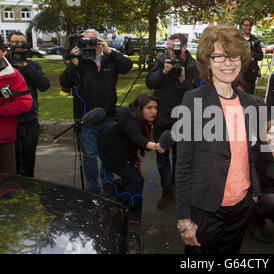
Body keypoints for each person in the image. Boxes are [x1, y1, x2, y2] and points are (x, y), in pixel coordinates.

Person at [175, 24, 261, 254]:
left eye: (233, 55)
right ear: (207, 62)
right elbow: (183, 164)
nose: (228, 63)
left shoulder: (250, 103)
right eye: (219, 56)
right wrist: (184, 219)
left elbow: (250, 153)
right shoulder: (192, 100)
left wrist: (254, 193)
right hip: (205, 208)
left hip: (241, 207)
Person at [60, 29, 133, 195]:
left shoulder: (109, 59)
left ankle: (107, 185)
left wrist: (109, 51)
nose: (89, 44)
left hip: (107, 116)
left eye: (93, 40)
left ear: (100, 41)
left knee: (108, 155)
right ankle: (92, 190)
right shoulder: (80, 61)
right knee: (89, 156)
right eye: (86, 41)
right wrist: (73, 62)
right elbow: (65, 82)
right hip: (86, 118)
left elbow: (128, 66)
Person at [146, 33, 200, 209]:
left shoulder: (192, 65)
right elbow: (150, 83)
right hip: (162, 116)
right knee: (162, 155)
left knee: (180, 157)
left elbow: (195, 93)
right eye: (169, 48)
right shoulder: (162, 61)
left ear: (184, 48)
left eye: (174, 48)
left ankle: (178, 190)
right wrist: (163, 72)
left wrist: (183, 79)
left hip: (183, 116)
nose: (170, 52)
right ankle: (166, 191)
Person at [98, 93, 165, 225]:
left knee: (134, 180)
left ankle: (127, 207)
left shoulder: (144, 120)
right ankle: (116, 208)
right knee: (136, 180)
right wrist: (157, 146)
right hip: (111, 153)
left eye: (155, 108)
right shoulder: (131, 121)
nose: (154, 111)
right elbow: (138, 139)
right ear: (140, 109)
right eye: (149, 108)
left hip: (125, 152)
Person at [7, 31, 51, 177]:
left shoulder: (32, 65)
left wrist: (25, 66)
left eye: (22, 43)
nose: (19, 47)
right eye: (15, 43)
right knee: (10, 162)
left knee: (28, 159)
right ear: (8, 44)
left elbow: (44, 85)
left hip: (29, 120)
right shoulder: (4, 65)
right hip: (8, 120)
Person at [0, 36, 33, 173]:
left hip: (4, 139)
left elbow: (25, 102)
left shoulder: (13, 75)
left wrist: (1, 109)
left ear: (2, 51)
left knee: (8, 184)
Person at [241, 17, 264, 95]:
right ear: (242, 26)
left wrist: (251, 53)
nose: (248, 27)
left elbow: (261, 56)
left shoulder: (255, 40)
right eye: (246, 25)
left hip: (251, 73)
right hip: (239, 72)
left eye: (249, 25)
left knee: (250, 95)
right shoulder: (237, 39)